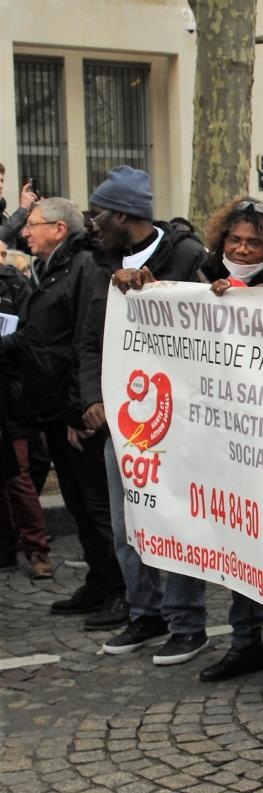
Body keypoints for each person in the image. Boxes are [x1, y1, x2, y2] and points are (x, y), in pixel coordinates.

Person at [80, 165, 210, 662]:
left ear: (122, 214)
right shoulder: (98, 264)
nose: (92, 223)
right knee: (126, 524)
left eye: (98, 214)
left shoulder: (186, 256)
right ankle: (144, 613)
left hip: (178, 421)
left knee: (174, 522)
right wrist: (93, 398)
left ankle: (186, 621)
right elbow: (89, 338)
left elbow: (211, 329)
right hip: (123, 422)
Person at [186, 198, 263, 692]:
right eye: (234, 240)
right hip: (227, 437)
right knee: (237, 543)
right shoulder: (205, 276)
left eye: (253, 242)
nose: (241, 248)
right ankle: (244, 644)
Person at [5, 199, 123, 615]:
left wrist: (79, 411)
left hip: (76, 416)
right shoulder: (53, 268)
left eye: (33, 225)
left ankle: (119, 591)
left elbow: (83, 343)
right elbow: (39, 336)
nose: (25, 232)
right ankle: (98, 581)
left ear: (59, 229)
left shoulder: (85, 268)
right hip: (54, 409)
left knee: (97, 507)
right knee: (78, 506)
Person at [0, 239, 52, 579]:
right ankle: (6, 547)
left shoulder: (15, 285)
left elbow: (29, 334)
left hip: (9, 394)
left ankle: (37, 549)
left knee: (18, 474)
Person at [0, 163, 38, 247]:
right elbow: (2, 235)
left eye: (2, 181)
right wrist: (23, 210)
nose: (1, 186)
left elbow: (22, 242)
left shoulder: (3, 217)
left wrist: (39, 217)